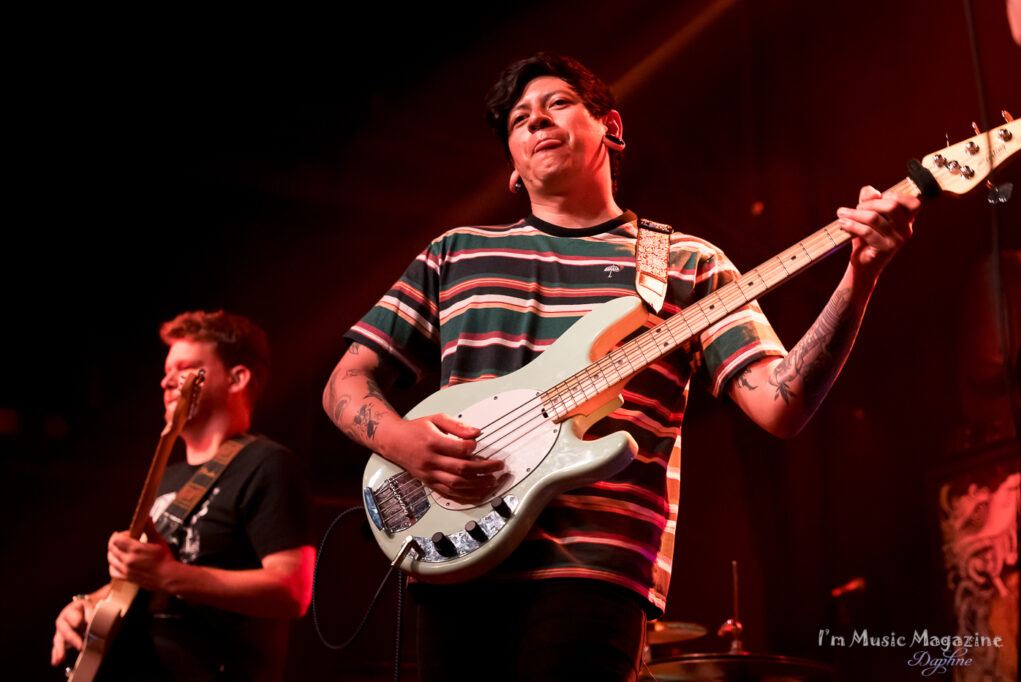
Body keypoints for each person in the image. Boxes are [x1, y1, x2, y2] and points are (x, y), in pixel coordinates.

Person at [322, 53, 921, 682]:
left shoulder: (687, 263)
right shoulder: (456, 254)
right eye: (520, 119)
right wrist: (402, 442)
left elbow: (781, 405)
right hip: (455, 554)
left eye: (557, 104)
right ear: (513, 163)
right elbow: (346, 381)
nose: (537, 121)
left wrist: (860, 276)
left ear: (611, 126)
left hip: (596, 570)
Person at [52, 310, 316, 681]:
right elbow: (144, 582)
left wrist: (171, 575)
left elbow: (293, 590)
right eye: (166, 371)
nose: (166, 381)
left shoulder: (268, 464)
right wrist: (86, 604)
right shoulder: (168, 477)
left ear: (236, 378)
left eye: (185, 368)